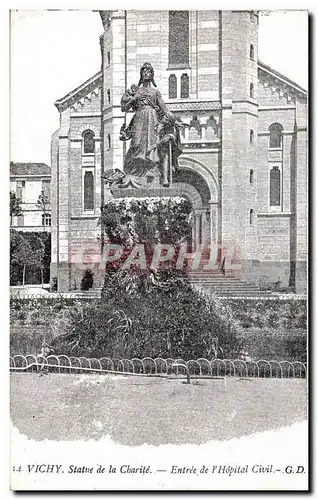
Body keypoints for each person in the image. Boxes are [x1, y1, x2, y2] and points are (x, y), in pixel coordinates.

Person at [120, 62, 169, 178]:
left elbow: (164, 108)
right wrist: (134, 98)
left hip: (152, 119)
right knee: (136, 144)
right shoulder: (136, 91)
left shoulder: (155, 92)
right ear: (141, 75)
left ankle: (151, 171)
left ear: (152, 75)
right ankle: (134, 173)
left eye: (149, 71)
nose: (146, 73)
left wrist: (173, 119)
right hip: (139, 118)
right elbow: (124, 108)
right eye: (144, 71)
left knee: (151, 144)